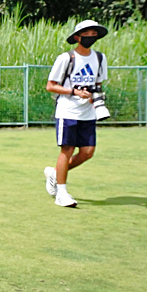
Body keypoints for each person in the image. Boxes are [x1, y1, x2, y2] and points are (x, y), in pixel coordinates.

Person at [44, 19, 108, 208]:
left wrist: (96, 99)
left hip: (88, 112)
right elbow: (51, 86)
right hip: (68, 110)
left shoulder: (99, 58)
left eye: (94, 33)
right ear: (77, 37)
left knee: (88, 152)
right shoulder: (66, 58)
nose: (90, 36)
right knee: (67, 149)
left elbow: (98, 84)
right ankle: (61, 193)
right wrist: (74, 92)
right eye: (87, 33)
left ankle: (55, 173)